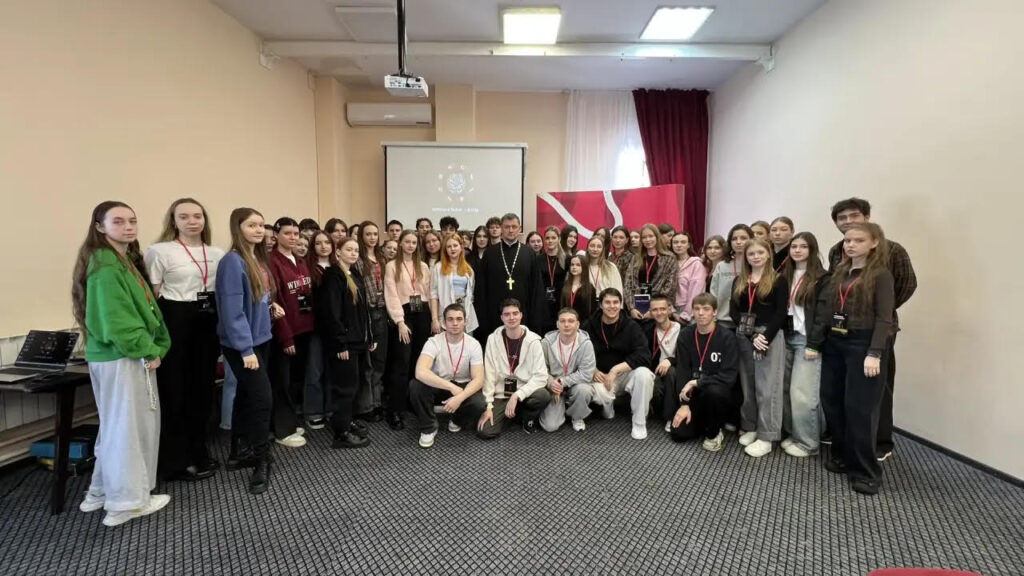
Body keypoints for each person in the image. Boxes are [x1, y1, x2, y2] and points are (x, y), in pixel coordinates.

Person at [73, 201, 172, 526]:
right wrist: (147, 349)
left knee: (116, 427)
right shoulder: (105, 266)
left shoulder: (118, 259)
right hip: (124, 356)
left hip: (118, 355)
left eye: (132, 220)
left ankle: (101, 491)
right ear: (99, 227)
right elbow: (118, 321)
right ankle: (126, 503)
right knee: (129, 429)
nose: (128, 227)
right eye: (118, 221)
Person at [826, 198, 916, 461]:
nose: (848, 222)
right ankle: (846, 440)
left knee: (877, 390)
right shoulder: (837, 251)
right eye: (842, 218)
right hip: (843, 331)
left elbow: (907, 284)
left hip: (876, 332)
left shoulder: (893, 250)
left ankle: (880, 442)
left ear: (866, 218)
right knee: (843, 389)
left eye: (854, 216)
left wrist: (876, 311)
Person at [144, 198, 224, 482]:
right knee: (175, 390)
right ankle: (174, 459)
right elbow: (152, 296)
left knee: (202, 389)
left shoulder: (216, 253)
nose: (192, 221)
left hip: (207, 319)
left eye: (197, 216)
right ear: (173, 221)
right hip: (175, 319)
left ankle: (198, 449)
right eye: (184, 216)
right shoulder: (159, 251)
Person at [820, 222, 895, 496]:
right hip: (836, 341)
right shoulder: (841, 272)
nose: (850, 245)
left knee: (860, 409)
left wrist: (874, 353)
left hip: (863, 344)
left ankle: (866, 471)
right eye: (847, 240)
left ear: (874, 243)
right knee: (833, 401)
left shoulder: (881, 275)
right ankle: (841, 455)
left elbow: (885, 318)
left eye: (858, 240)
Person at [216, 207, 278, 495]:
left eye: (261, 225)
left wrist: (270, 307)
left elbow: (255, 298)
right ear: (237, 228)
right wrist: (245, 348)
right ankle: (261, 459)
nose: (258, 230)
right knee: (262, 399)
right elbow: (232, 311)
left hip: (261, 338)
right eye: (251, 225)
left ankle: (238, 451)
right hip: (244, 345)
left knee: (244, 394)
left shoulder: (256, 259)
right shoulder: (232, 261)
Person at [730, 238, 790, 458]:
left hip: (768, 337)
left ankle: (766, 436)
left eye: (760, 253)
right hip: (745, 335)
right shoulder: (739, 280)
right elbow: (734, 311)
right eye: (751, 254)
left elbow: (780, 313)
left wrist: (763, 336)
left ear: (768, 255)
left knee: (768, 388)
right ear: (746, 257)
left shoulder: (778, 280)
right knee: (748, 385)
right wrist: (750, 335)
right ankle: (751, 426)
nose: (755, 257)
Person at [315, 237, 375, 449]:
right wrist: (340, 343)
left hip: (358, 341)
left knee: (354, 384)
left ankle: (347, 420)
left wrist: (369, 336)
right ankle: (341, 433)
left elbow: (362, 311)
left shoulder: (354, 274)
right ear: (338, 252)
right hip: (344, 344)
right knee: (344, 388)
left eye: (356, 250)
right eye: (349, 249)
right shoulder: (333, 276)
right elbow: (332, 313)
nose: (353, 253)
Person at [666, 293, 741, 451]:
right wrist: (684, 405)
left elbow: (728, 377)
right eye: (697, 309)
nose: (701, 313)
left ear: (715, 312)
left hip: (718, 394)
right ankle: (704, 423)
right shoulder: (686, 335)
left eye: (706, 309)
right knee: (678, 434)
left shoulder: (727, 337)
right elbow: (683, 370)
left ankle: (714, 432)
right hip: (695, 395)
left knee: (714, 392)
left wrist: (698, 382)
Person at [409, 304, 488, 448]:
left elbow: (479, 379)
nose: (455, 323)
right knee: (416, 386)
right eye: (450, 319)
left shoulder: (474, 344)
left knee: (479, 403)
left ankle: (457, 420)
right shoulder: (433, 342)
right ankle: (429, 427)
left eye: (459, 319)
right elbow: (420, 372)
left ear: (465, 322)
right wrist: (451, 387)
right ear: (444, 323)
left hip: (462, 386)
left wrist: (460, 397)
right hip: (439, 384)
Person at [582, 288, 655, 440]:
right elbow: (578, 352)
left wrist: (616, 369)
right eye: (607, 302)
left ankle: (639, 422)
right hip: (600, 375)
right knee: (592, 390)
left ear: (621, 304)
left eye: (615, 302)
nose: (612, 306)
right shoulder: (588, 325)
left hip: (624, 374)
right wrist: (593, 369)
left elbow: (644, 355)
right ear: (600, 305)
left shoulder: (631, 326)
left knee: (644, 374)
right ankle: (608, 405)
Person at [781, 232, 829, 458]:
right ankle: (794, 433)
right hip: (786, 337)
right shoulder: (785, 275)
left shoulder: (822, 278)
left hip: (806, 340)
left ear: (812, 249)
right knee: (786, 390)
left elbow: (822, 316)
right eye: (794, 246)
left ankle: (808, 443)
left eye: (803, 246)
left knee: (802, 393)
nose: (797, 250)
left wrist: (814, 344)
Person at [267, 217, 314, 449]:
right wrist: (285, 337)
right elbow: (276, 302)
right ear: (276, 235)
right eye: (288, 233)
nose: (293, 237)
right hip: (285, 332)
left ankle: (289, 421)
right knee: (281, 382)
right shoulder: (272, 261)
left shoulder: (301, 260)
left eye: (296, 233)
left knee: (294, 380)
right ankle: (282, 430)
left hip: (305, 329)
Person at [477, 299, 551, 437]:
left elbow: (541, 376)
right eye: (507, 314)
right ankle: (513, 415)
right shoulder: (493, 339)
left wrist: (517, 395)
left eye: (515, 313)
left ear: (521, 315)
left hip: (524, 390)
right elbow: (489, 374)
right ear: (501, 317)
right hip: (501, 392)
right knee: (485, 431)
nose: (511, 317)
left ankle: (526, 416)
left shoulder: (534, 341)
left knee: (543, 395)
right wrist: (489, 405)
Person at [383, 230, 432, 430]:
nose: (410, 245)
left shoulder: (423, 266)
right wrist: (399, 321)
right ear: (400, 243)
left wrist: (432, 319)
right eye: (407, 242)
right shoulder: (391, 266)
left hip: (422, 313)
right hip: (404, 315)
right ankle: (395, 410)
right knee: (401, 362)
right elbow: (391, 295)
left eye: (414, 242)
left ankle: (413, 402)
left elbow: (429, 293)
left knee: (418, 361)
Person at [474, 213, 548, 336]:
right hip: (494, 315)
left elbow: (536, 287)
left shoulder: (529, 253)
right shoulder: (490, 253)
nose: (511, 230)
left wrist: (535, 318)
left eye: (514, 227)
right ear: (501, 229)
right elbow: (482, 288)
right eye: (507, 227)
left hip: (523, 313)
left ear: (519, 228)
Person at [538, 308, 598, 432]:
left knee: (584, 390)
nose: (566, 324)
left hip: (575, 385)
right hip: (554, 387)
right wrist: (551, 383)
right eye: (562, 321)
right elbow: (540, 369)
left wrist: (562, 382)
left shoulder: (586, 344)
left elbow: (586, 374)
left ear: (578, 324)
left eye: (571, 321)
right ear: (557, 324)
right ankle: (561, 407)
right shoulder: (546, 343)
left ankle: (577, 416)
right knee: (549, 426)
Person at [354, 221, 388, 422]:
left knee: (380, 362)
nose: (372, 237)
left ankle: (377, 403)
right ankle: (366, 406)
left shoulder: (382, 258)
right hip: (367, 313)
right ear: (362, 236)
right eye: (368, 234)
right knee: (368, 364)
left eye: (375, 234)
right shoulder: (358, 260)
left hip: (382, 312)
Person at [304, 231, 335, 429]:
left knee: (332, 370)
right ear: (312, 247)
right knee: (314, 370)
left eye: (327, 242)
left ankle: (331, 409)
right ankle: (313, 411)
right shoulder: (307, 268)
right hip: (315, 327)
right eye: (318, 243)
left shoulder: (338, 267)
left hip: (335, 327)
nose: (323, 246)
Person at [639, 295, 682, 429]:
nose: (659, 313)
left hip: (677, 370)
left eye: (662, 309)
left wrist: (670, 360)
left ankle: (670, 417)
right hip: (656, 371)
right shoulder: (648, 330)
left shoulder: (682, 329)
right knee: (651, 383)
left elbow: (688, 357)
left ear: (669, 309)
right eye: (655, 310)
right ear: (650, 312)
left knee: (671, 372)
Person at [623, 223, 677, 320]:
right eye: (644, 237)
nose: (647, 240)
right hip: (637, 309)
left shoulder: (669, 258)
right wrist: (631, 308)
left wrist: (654, 309)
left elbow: (670, 287)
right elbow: (628, 284)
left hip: (658, 311)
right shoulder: (636, 258)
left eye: (651, 236)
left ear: (657, 237)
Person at [430, 233, 479, 335]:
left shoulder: (468, 269)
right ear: (445, 249)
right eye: (449, 246)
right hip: (446, 312)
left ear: (461, 247)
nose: (452, 249)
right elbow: (433, 295)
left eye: (455, 245)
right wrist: (434, 319)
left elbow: (471, 294)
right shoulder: (438, 267)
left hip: (465, 313)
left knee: (466, 343)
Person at [709, 224, 752, 330]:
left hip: (748, 322)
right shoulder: (722, 265)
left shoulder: (757, 264)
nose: (738, 242)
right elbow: (713, 294)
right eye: (734, 239)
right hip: (723, 320)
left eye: (743, 238)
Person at [671, 232, 706, 324]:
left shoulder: (696, 264)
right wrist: (672, 311)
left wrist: (686, 314)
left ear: (689, 245)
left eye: (683, 242)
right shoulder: (669, 263)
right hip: (670, 310)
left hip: (690, 310)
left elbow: (696, 291)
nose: (679, 245)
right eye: (675, 242)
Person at [540, 226, 567, 333]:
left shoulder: (566, 259)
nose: (550, 241)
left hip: (561, 302)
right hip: (543, 303)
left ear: (559, 239)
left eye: (553, 238)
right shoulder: (538, 259)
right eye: (547, 238)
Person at [561, 254, 595, 321]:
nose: (574, 267)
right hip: (566, 322)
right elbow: (562, 306)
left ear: (584, 267)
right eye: (572, 264)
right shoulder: (565, 285)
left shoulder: (590, 288)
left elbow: (591, 311)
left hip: (582, 323)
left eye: (578, 265)